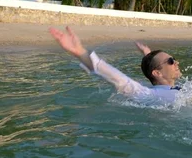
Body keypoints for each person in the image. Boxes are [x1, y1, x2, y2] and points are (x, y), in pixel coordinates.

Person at [49, 26, 183, 105]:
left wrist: (148, 55)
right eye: (171, 61)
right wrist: (81, 52)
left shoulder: (172, 88)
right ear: (157, 73)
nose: (176, 62)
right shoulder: (152, 95)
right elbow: (122, 81)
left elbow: (155, 68)